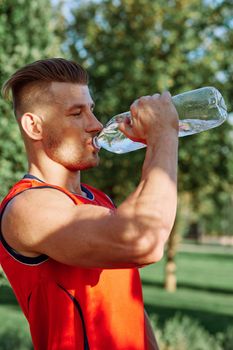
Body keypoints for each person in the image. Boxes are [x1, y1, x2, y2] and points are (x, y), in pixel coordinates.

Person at [0, 58, 178, 350]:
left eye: (91, 110)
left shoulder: (98, 200)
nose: (95, 125)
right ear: (34, 126)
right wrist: (163, 137)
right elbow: (144, 241)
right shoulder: (27, 207)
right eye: (76, 113)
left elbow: (130, 308)